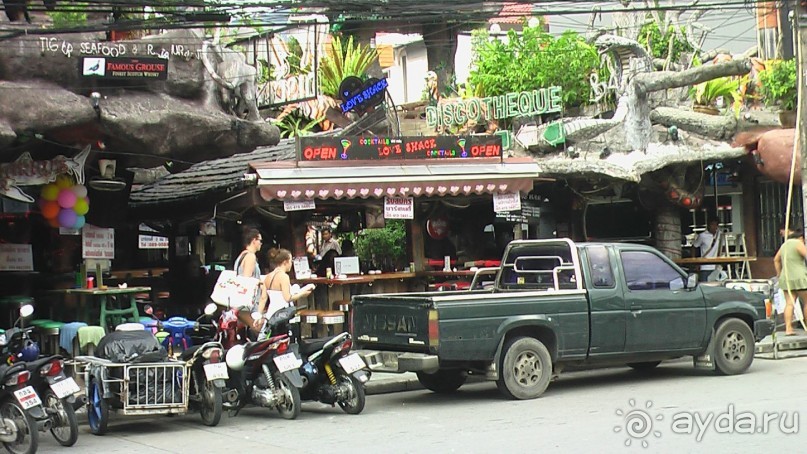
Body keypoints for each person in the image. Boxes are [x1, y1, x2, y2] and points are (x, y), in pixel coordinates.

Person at [264, 248, 315, 319]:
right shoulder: (284, 277)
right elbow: (288, 298)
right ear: (285, 262)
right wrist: (302, 293)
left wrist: (259, 316)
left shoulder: (268, 277)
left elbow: (263, 298)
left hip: (271, 313)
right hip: (282, 313)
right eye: (291, 261)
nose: (292, 264)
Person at [774, 227, 807, 335]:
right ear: (801, 237)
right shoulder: (798, 243)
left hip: (786, 277)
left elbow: (776, 260)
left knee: (789, 303)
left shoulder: (784, 245)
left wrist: (779, 274)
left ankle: (788, 328)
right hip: (800, 277)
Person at [234, 228, 266, 334]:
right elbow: (246, 281)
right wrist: (259, 283)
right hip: (247, 304)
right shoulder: (250, 257)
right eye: (260, 240)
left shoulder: (241, 256)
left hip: (240, 303)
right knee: (259, 329)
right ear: (253, 240)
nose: (261, 243)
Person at [692, 218, 721, 282]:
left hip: (716, 267)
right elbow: (694, 247)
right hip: (704, 267)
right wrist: (694, 262)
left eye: (716, 225)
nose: (714, 227)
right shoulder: (702, 236)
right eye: (712, 224)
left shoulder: (719, 235)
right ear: (708, 225)